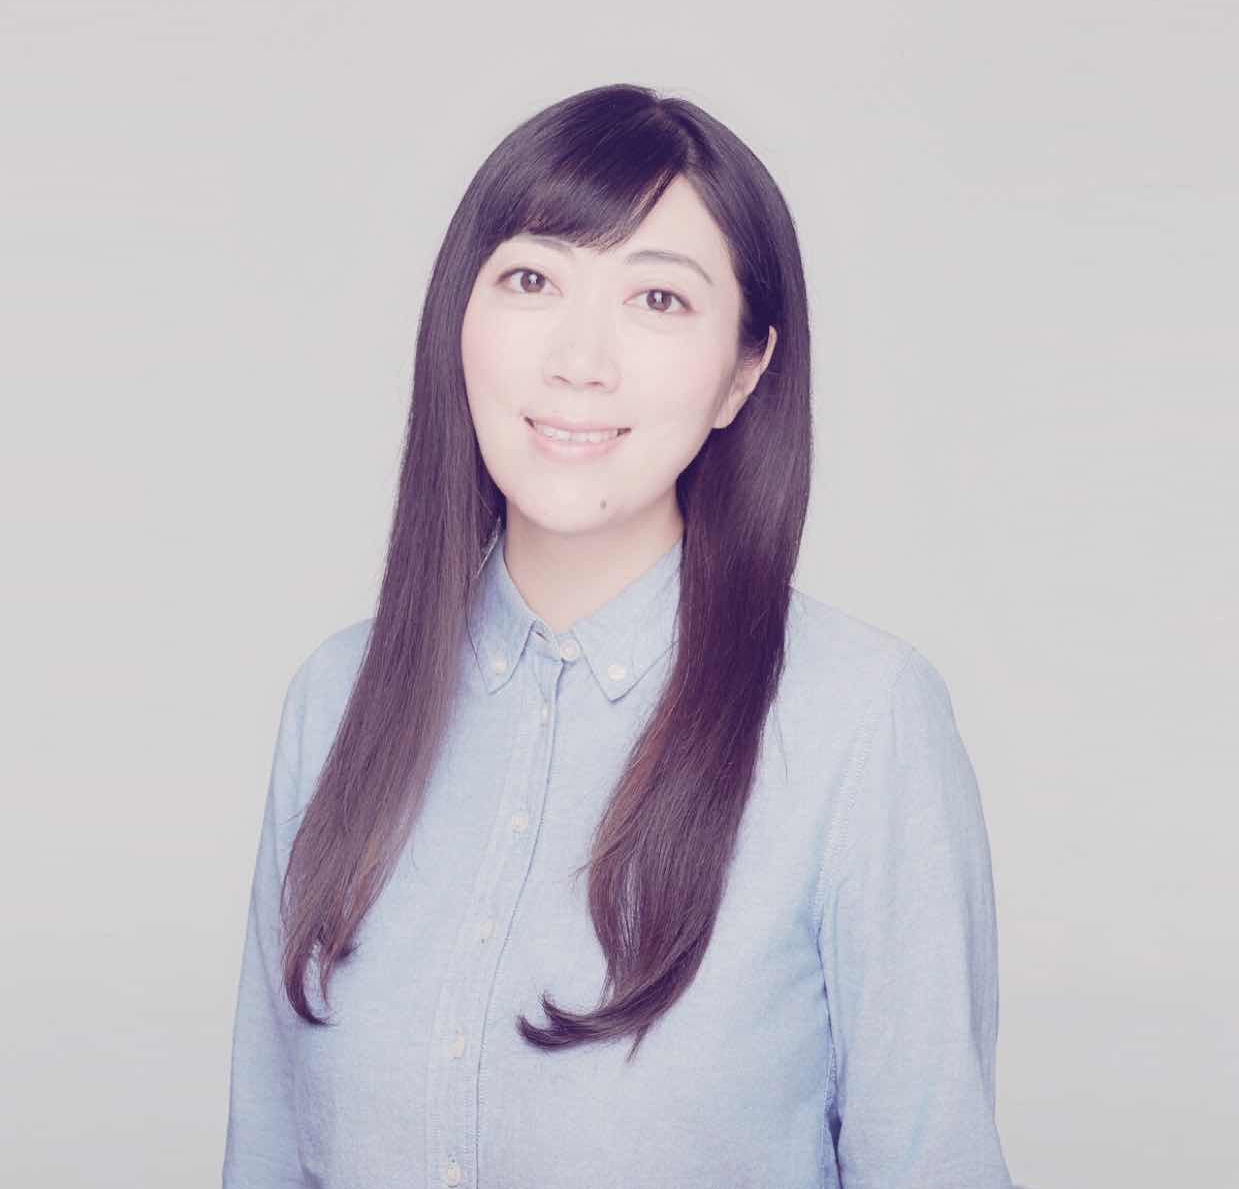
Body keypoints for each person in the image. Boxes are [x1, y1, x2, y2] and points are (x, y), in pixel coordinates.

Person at [222, 82, 1014, 1188]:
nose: (580, 360)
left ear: (743, 371)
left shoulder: (859, 721)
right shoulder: (336, 696)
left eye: (659, 299)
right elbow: (267, 1154)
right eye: (532, 279)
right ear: (459, 319)